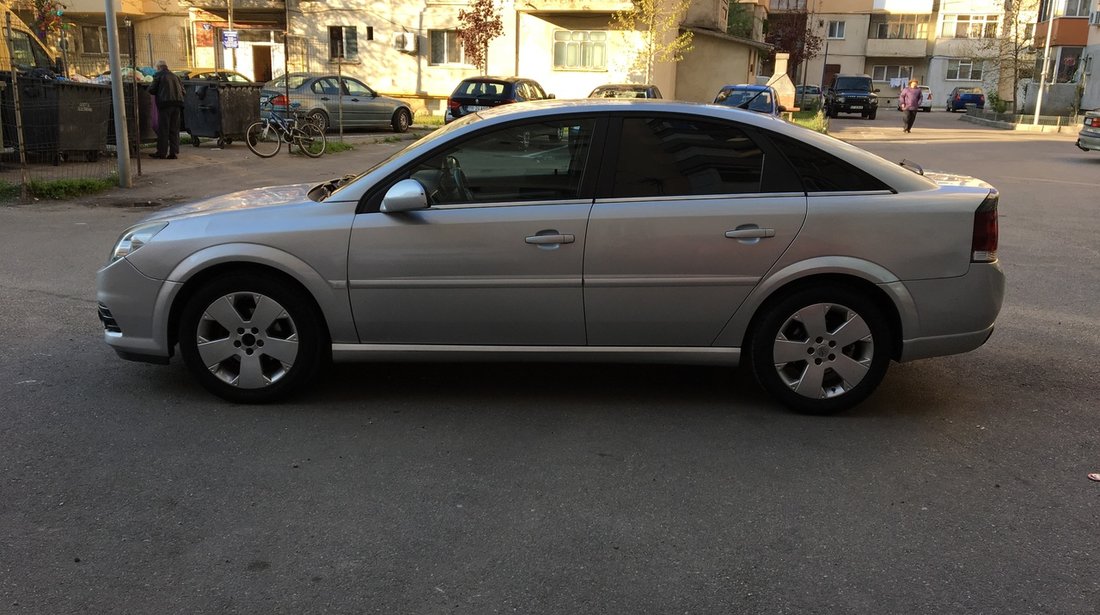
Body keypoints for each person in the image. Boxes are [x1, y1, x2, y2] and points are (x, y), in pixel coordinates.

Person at [148, 59, 184, 159]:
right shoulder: (175, 76)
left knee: (163, 129)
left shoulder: (158, 75)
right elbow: (183, 91)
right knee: (174, 129)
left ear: (159, 68)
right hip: (177, 104)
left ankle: (161, 152)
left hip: (165, 105)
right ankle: (173, 152)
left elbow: (152, 89)